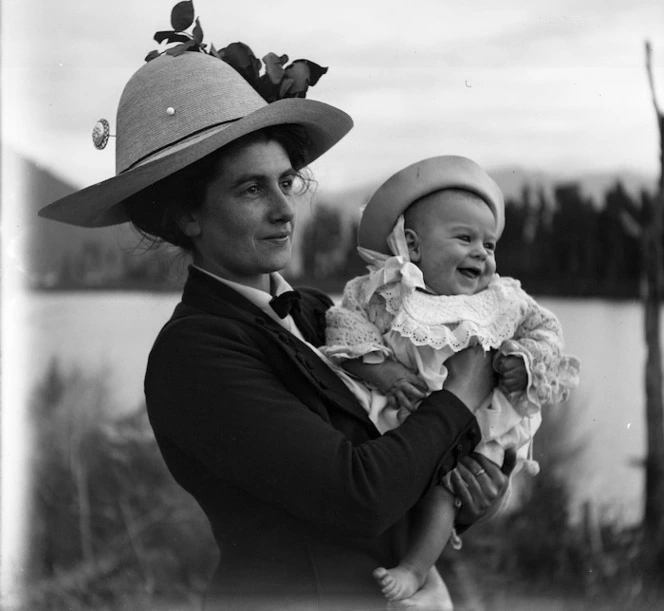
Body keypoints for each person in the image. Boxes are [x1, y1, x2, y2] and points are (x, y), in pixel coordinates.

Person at [38, 19, 515, 610]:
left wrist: (476, 487)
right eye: (250, 190)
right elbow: (358, 495)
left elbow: (408, 448)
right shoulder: (194, 355)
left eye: (285, 181)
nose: (285, 208)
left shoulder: (321, 313)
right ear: (187, 215)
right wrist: (461, 397)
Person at [321, 155, 580, 601]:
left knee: (447, 490)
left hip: (477, 429)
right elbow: (346, 331)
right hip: (400, 420)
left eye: (490, 244)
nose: (482, 252)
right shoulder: (383, 290)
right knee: (394, 473)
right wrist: (384, 371)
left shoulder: (502, 300)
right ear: (413, 246)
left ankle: (416, 568)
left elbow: (547, 331)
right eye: (464, 238)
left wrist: (524, 360)